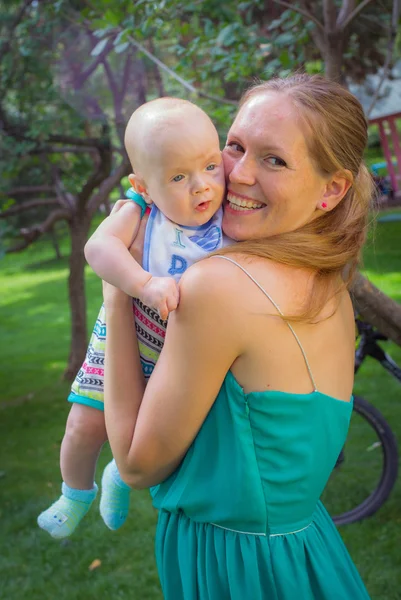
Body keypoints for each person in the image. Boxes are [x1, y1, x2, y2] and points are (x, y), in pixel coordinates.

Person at [101, 74, 373, 599]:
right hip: (307, 552)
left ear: (332, 189)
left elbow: (136, 464)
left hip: (240, 571)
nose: (239, 174)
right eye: (236, 146)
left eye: (274, 160)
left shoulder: (219, 286)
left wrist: (117, 295)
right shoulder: (329, 284)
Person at [37, 97, 227, 539]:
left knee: (170, 436)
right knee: (85, 423)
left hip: (179, 351)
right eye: (178, 177)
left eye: (211, 166)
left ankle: (120, 476)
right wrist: (142, 283)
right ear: (142, 185)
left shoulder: (228, 213)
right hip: (126, 334)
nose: (201, 186)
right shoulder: (139, 211)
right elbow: (97, 250)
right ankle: (74, 492)